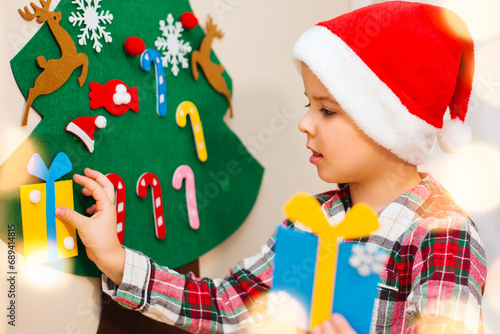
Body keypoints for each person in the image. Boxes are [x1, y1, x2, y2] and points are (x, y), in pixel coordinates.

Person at [55, 2, 487, 333]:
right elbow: (228, 306)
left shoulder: (443, 235)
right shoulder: (309, 221)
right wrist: (113, 258)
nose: (304, 123)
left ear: (388, 126)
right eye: (308, 105)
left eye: (328, 110)